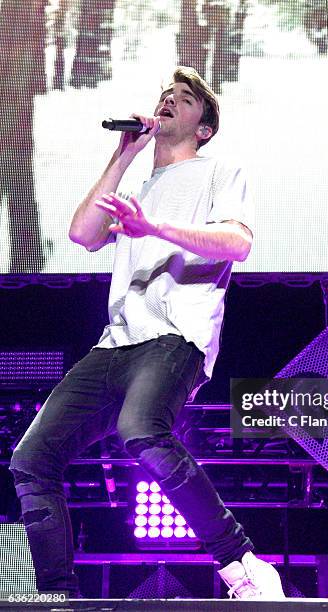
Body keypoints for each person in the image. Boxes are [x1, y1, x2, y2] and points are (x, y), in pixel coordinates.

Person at [9, 66, 285, 601]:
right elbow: (82, 233)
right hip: (115, 343)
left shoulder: (219, 171)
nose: (168, 102)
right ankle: (55, 595)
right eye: (165, 96)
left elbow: (237, 243)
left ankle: (242, 563)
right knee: (31, 458)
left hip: (176, 336)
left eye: (183, 100)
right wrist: (125, 153)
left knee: (141, 430)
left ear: (203, 126)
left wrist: (153, 228)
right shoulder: (137, 184)